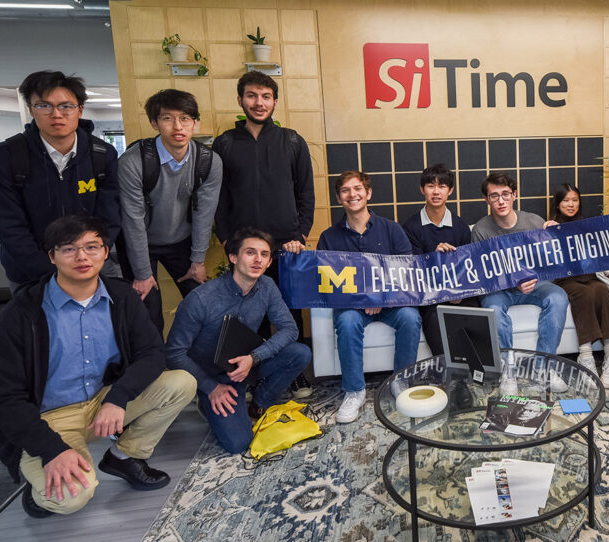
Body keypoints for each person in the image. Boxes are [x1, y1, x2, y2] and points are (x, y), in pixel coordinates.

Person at [0, 215, 196, 518]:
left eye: (92, 247)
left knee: (180, 383)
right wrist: (52, 449)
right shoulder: (22, 313)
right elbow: (0, 399)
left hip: (102, 403)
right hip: (49, 419)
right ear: (52, 256)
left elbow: (151, 353)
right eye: (69, 249)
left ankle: (125, 456)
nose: (82, 257)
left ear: (106, 252)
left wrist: (117, 399)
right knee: (71, 499)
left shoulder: (121, 296)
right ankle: (37, 491)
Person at [165, 227, 311, 453]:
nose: (258, 259)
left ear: (269, 263)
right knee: (239, 444)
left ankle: (259, 403)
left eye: (264, 255)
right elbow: (174, 353)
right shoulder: (201, 299)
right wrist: (210, 387)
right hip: (213, 376)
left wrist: (254, 357)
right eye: (250, 252)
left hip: (247, 362)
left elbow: (289, 329)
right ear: (233, 257)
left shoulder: (267, 287)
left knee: (300, 353)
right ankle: (206, 401)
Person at [0, 70, 121, 290]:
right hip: (31, 274)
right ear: (31, 110)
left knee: (105, 323)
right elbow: (8, 226)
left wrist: (90, 259)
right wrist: (51, 274)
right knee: (40, 325)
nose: (56, 114)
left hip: (92, 269)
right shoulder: (4, 157)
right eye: (44, 106)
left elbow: (110, 217)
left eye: (66, 106)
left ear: (80, 110)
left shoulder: (102, 155)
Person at [213, 70, 315, 349]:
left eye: (266, 97)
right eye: (252, 96)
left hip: (286, 246)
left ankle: (293, 374)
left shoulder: (292, 141)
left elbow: (306, 193)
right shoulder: (225, 143)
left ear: (274, 102)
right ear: (240, 99)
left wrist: (301, 235)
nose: (259, 102)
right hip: (244, 248)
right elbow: (217, 198)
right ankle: (256, 372)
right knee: (249, 316)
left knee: (287, 312)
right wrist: (225, 238)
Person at [317, 170, 422, 423]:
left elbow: (405, 272)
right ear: (339, 197)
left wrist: (380, 299)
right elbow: (326, 284)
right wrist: (364, 301)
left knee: (410, 317)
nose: (352, 195)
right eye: (345, 190)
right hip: (351, 307)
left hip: (390, 303)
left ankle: (400, 381)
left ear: (368, 193)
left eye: (357, 189)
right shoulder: (328, 238)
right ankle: (354, 391)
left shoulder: (392, 229)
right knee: (347, 322)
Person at [118, 89, 222, 333]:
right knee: (149, 313)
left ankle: (196, 363)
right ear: (154, 123)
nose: (178, 126)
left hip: (180, 240)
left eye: (185, 118)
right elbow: (132, 220)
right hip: (140, 242)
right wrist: (142, 274)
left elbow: (204, 214)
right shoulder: (132, 162)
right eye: (167, 118)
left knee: (203, 303)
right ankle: (154, 367)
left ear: (195, 123)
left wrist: (197, 260)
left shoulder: (209, 161)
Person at [471, 172, 569, 357]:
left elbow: (552, 266)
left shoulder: (534, 222)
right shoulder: (480, 230)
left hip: (535, 285)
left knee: (558, 297)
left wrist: (559, 236)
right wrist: (514, 280)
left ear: (514, 195)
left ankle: (545, 366)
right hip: (500, 290)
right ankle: (507, 370)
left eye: (506, 194)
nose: (501, 201)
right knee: (493, 310)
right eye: (494, 196)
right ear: (486, 199)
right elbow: (482, 275)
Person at [544, 183, 609, 389]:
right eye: (566, 200)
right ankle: (585, 355)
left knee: (602, 292)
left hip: (591, 276)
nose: (571, 204)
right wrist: (548, 234)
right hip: (566, 280)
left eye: (575, 200)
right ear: (558, 203)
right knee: (583, 295)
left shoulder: (587, 225)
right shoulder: (550, 226)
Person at [401, 163, 480, 355]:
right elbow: (413, 273)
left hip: (459, 294)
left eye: (442, 186)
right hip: (430, 297)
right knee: (435, 320)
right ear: (422, 189)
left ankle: (478, 374)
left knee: (478, 315)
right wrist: (433, 258)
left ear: (450, 191)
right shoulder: (410, 227)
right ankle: (447, 374)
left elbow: (467, 268)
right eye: (430, 186)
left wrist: (457, 292)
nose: (436, 192)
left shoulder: (460, 226)